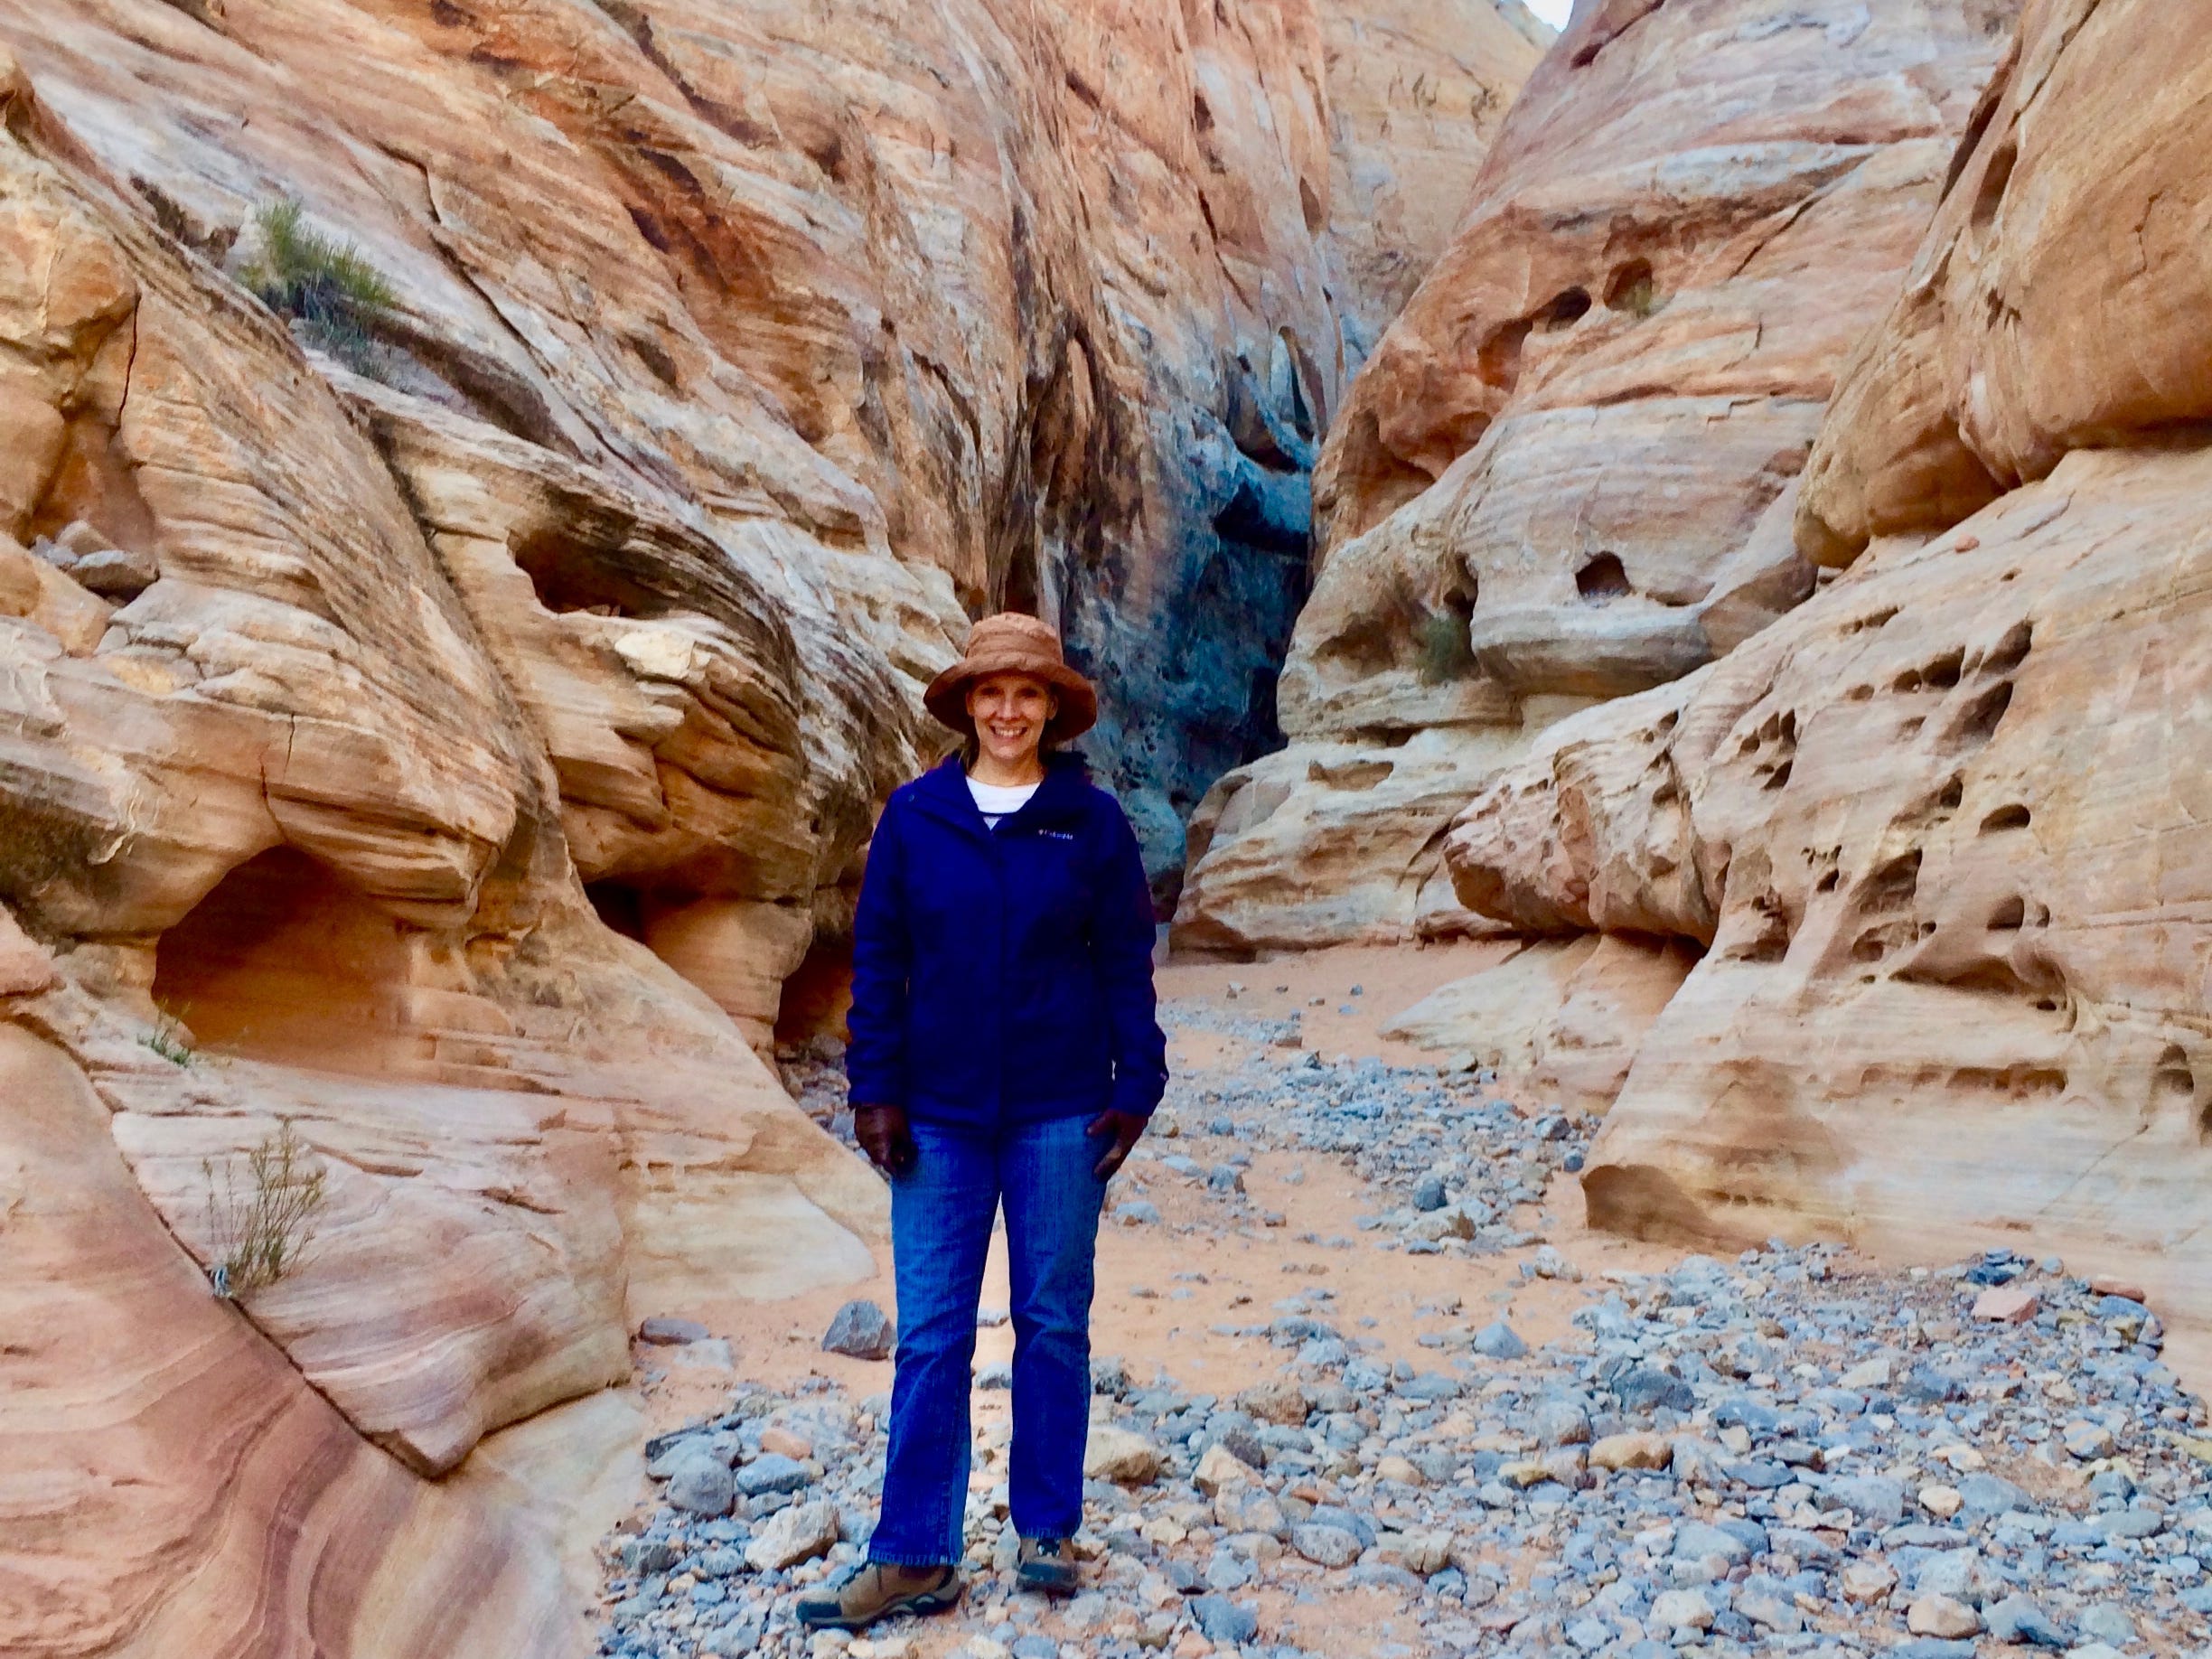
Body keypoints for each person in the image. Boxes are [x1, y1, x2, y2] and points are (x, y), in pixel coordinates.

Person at [796, 613, 1169, 1630]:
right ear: (967, 703)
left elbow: (1125, 962)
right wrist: (873, 1089)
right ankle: (916, 1551)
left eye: (1028, 693)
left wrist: (1139, 1083)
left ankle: (1045, 1528)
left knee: (1051, 1325)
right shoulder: (916, 817)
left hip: (1060, 1111)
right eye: (991, 692)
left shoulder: (1088, 825)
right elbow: (880, 962)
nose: (1009, 710)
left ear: (1053, 707)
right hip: (939, 1116)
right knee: (930, 1337)